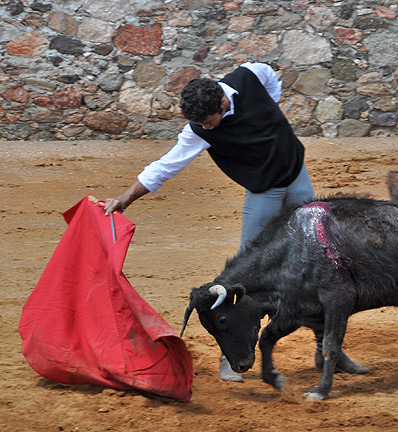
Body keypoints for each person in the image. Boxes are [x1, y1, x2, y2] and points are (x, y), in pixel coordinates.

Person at [103, 62, 369, 382]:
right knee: (246, 274)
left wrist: (272, 104)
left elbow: (270, 75)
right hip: (264, 192)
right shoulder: (199, 131)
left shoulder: (249, 77)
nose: (206, 127)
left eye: (209, 121)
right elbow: (165, 167)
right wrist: (125, 199)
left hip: (296, 176)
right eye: (200, 123)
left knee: (316, 263)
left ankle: (329, 352)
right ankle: (230, 356)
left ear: (223, 102)